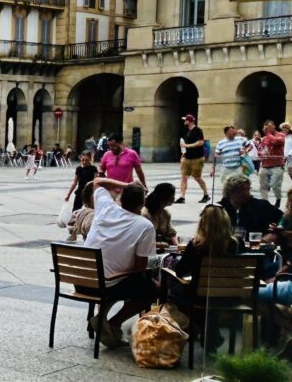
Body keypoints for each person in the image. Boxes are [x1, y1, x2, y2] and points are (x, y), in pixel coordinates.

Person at [83, 177, 158, 347]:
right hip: (105, 285)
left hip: (82, 281)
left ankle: (102, 318)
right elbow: (140, 268)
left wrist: (127, 185)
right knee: (152, 288)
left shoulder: (106, 207)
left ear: (121, 199)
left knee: (116, 275)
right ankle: (113, 324)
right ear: (142, 203)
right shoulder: (144, 226)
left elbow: (97, 182)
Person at [166, 204, 239, 309]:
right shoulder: (236, 244)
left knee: (174, 289)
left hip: (200, 297)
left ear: (203, 222)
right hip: (230, 297)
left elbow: (180, 271)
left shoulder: (197, 245)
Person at [176, 114, 210, 204]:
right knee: (184, 177)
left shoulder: (197, 130)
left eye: (185, 120)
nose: (184, 121)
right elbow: (184, 146)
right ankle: (182, 197)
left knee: (197, 177)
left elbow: (200, 142)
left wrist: (188, 146)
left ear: (189, 121)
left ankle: (206, 195)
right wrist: (183, 155)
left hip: (197, 158)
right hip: (187, 158)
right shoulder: (188, 131)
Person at [258, 120, 287, 203]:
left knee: (275, 185)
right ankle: (265, 202)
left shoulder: (281, 135)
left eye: (270, 126)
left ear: (274, 126)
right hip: (265, 165)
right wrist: (262, 153)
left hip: (277, 165)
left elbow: (275, 141)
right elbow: (259, 150)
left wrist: (267, 133)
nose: (268, 129)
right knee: (263, 186)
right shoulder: (263, 139)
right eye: (266, 127)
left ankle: (278, 198)